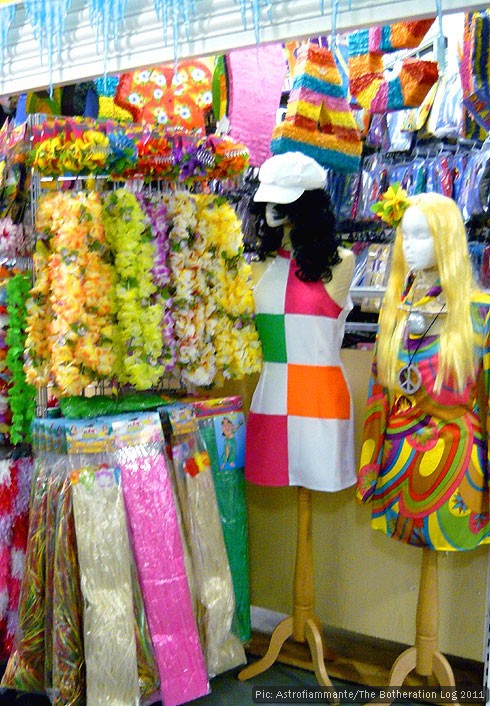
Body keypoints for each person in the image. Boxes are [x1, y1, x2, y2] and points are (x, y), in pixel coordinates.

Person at [357, 188, 490, 550]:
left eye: (422, 234)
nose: (410, 245)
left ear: (446, 239)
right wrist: (369, 470)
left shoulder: (481, 313)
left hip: (457, 466)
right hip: (399, 463)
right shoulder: (396, 311)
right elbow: (378, 396)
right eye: (405, 235)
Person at [245, 151, 356, 492]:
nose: (271, 210)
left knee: (315, 480)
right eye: (267, 200)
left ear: (307, 206)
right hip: (272, 393)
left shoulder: (341, 262)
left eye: (283, 200)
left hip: (320, 397)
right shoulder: (258, 265)